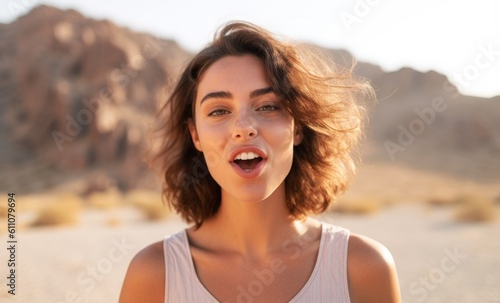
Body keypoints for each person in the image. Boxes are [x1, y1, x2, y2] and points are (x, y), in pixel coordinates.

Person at [119, 21, 401, 303]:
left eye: (267, 106)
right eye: (218, 111)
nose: (243, 127)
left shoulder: (364, 269)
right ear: (196, 136)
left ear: (298, 127)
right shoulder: (155, 276)